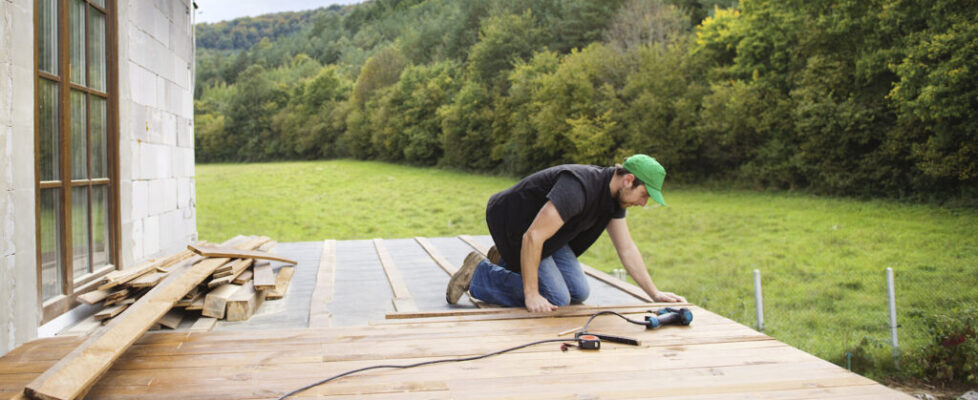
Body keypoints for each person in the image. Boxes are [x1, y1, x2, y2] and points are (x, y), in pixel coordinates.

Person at [446, 154, 687, 312]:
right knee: (556, 297)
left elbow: (626, 249)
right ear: (628, 180)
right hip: (515, 222)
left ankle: (508, 260)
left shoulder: (614, 201)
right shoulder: (580, 187)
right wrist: (530, 294)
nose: (644, 203)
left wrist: (654, 293)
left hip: (549, 233)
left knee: (579, 292)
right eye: (644, 195)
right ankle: (479, 273)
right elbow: (533, 237)